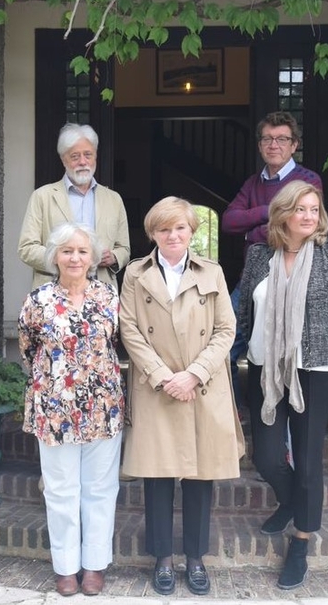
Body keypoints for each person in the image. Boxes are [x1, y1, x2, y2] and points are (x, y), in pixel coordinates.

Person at [237, 181, 328, 590]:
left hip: (315, 371)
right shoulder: (259, 256)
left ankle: (302, 542)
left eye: (315, 209)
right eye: (301, 209)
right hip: (264, 368)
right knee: (268, 456)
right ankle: (290, 500)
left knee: (308, 463)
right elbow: (245, 314)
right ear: (282, 213)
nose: (310, 216)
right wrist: (243, 356)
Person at [119, 196, 245, 597]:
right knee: (157, 477)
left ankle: (195, 558)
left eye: (180, 228)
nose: (172, 235)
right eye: (163, 229)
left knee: (198, 475)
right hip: (158, 388)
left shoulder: (213, 271)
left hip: (201, 387)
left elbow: (227, 329)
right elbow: (130, 330)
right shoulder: (135, 274)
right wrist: (162, 376)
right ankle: (161, 559)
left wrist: (193, 374)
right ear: (152, 233)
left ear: (192, 231)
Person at [18, 222, 124, 597]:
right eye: (67, 251)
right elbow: (29, 348)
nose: (75, 257)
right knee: (61, 490)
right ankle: (65, 567)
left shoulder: (109, 297)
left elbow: (118, 344)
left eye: (82, 251)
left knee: (100, 488)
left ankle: (94, 565)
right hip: (55, 409)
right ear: (55, 257)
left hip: (102, 406)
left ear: (93, 257)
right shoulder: (39, 299)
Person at [221, 112, 323, 406]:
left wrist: (253, 229)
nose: (273, 144)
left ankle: (283, 426)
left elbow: (297, 228)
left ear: (294, 145)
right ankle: (237, 414)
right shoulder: (253, 183)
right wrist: (268, 211)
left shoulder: (307, 180)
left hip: (292, 278)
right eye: (267, 138)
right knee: (222, 346)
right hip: (251, 277)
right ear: (260, 145)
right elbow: (229, 221)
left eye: (281, 139)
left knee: (284, 355)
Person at [18, 123, 131, 289]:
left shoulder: (114, 199)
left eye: (88, 155)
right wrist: (63, 258)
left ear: (95, 157)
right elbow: (26, 248)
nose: (83, 162)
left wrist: (114, 257)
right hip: (53, 293)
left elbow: (124, 248)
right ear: (64, 160)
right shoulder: (43, 196)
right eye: (75, 156)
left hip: (100, 293)